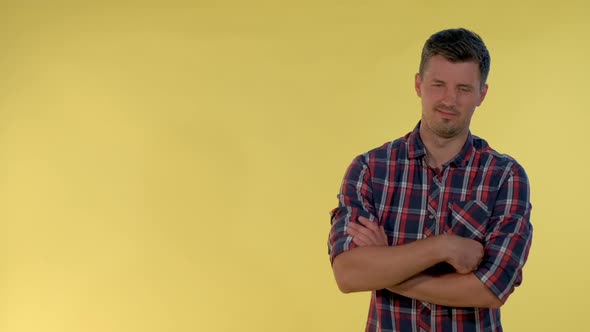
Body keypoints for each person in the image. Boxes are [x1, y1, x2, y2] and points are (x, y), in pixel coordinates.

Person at [328, 28, 533, 332]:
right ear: (418, 84)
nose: (450, 99)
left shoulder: (505, 176)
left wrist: (385, 266)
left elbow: (490, 290)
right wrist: (443, 247)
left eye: (464, 88)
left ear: (482, 94)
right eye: (438, 84)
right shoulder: (370, 169)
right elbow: (348, 274)